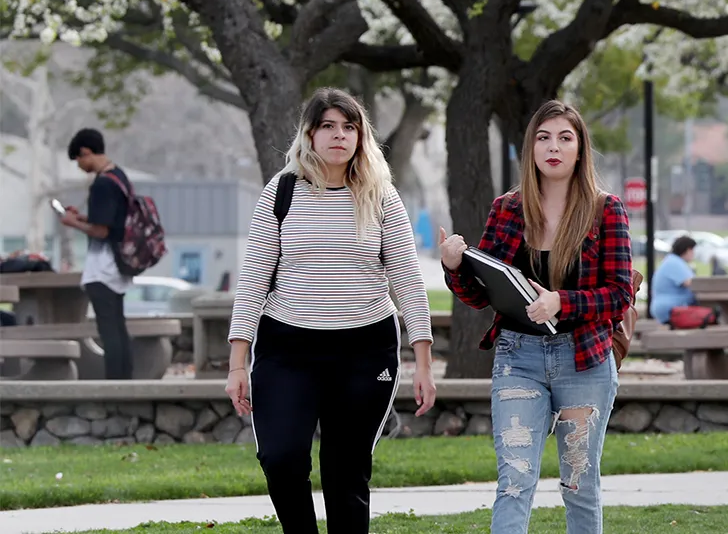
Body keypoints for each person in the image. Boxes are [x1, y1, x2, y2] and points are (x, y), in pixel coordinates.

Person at [224, 89, 437, 534]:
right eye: (328, 126)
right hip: (287, 347)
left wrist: (422, 361)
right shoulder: (281, 193)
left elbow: (407, 282)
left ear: (361, 136)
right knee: (280, 457)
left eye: (349, 127)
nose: (339, 135)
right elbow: (253, 280)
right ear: (309, 135)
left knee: (347, 472)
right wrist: (238, 362)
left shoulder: (381, 197)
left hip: (365, 349)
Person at [439, 99, 633, 534]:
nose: (554, 147)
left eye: (566, 138)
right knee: (514, 480)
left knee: (579, 483)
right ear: (530, 149)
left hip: (584, 361)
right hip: (517, 358)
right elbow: (480, 294)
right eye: (543, 138)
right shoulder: (507, 208)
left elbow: (618, 295)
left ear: (580, 150)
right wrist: (454, 266)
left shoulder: (606, 209)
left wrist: (563, 302)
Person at [58, 128, 135, 380]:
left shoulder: (102, 184)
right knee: (118, 327)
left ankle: (115, 384)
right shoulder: (120, 177)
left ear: (86, 152)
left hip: (103, 268)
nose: (79, 166)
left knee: (108, 329)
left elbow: (101, 230)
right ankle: (126, 380)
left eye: (78, 160)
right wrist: (82, 217)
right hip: (119, 264)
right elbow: (110, 222)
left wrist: (73, 223)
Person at [651, 236, 699, 321]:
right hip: (671, 309)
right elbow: (692, 283)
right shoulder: (674, 263)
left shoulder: (671, 260)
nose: (693, 254)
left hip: (667, 307)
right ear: (687, 250)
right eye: (692, 250)